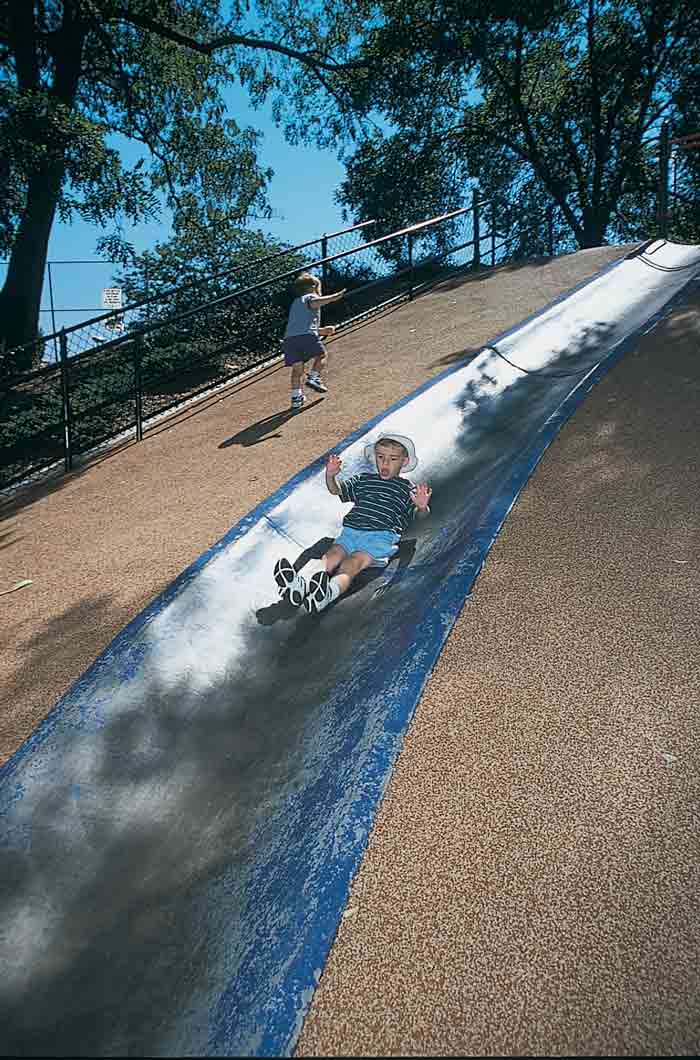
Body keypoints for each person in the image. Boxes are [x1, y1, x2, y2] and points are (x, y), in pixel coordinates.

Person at [274, 434, 432, 614]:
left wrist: (422, 507)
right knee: (332, 554)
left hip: (380, 537)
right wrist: (330, 476)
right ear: (375, 457)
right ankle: (301, 585)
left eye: (393, 459)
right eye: (381, 457)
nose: (385, 464)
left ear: (404, 462)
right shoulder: (363, 479)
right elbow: (337, 490)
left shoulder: (407, 489)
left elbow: (420, 518)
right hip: (350, 532)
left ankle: (327, 594)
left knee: (352, 563)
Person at [282, 271, 346, 412]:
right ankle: (314, 377)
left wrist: (323, 331)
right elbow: (315, 302)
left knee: (297, 369)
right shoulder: (310, 297)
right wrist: (334, 297)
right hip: (306, 337)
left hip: (289, 340)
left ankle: (296, 397)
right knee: (322, 356)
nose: (319, 291)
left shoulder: (295, 303)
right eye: (319, 287)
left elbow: (302, 327)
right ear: (313, 287)